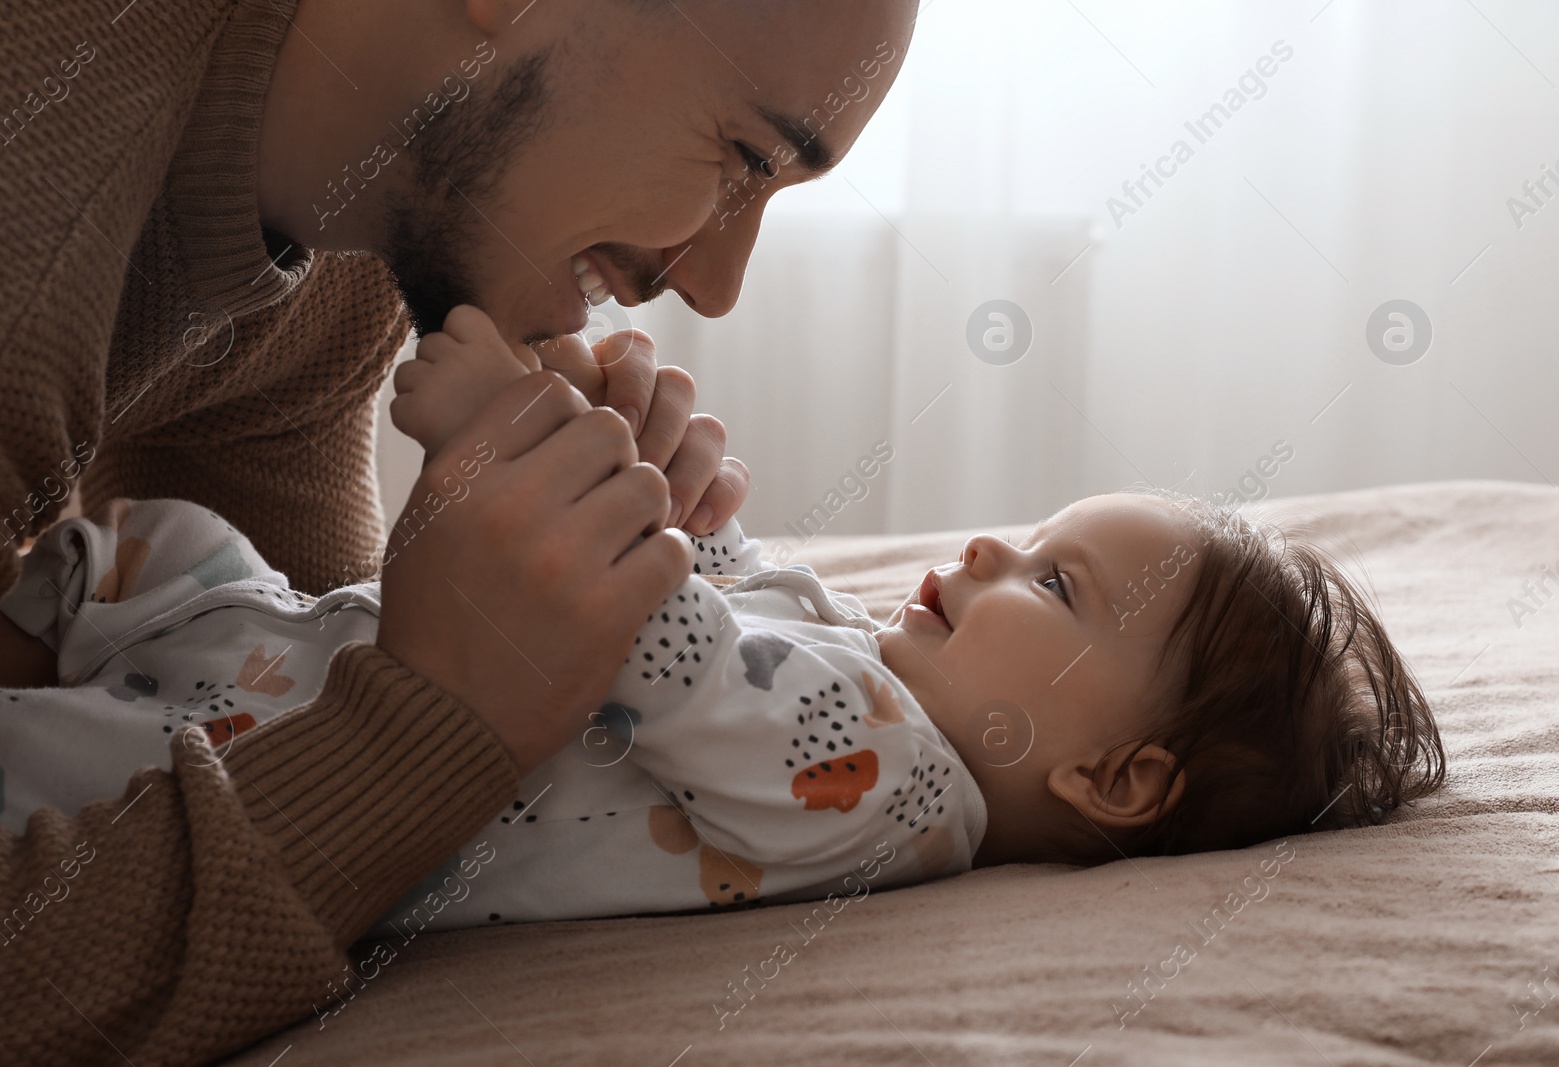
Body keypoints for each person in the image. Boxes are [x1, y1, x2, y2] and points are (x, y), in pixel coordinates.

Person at [0, 0, 918, 1060]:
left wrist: (524, 530)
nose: (712, 287)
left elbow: (269, 660)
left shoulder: (358, 224)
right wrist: (433, 725)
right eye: (742, 158)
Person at [1, 312, 1447, 956]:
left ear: (1115, 778)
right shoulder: (878, 689)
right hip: (293, 642)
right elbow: (733, 605)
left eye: (1055, 586)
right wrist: (676, 481)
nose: (997, 546)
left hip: (269, 740)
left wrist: (524, 436)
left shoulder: (899, 793)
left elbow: (660, 637)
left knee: (71, 749)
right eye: (1039, 530)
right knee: (173, 548)